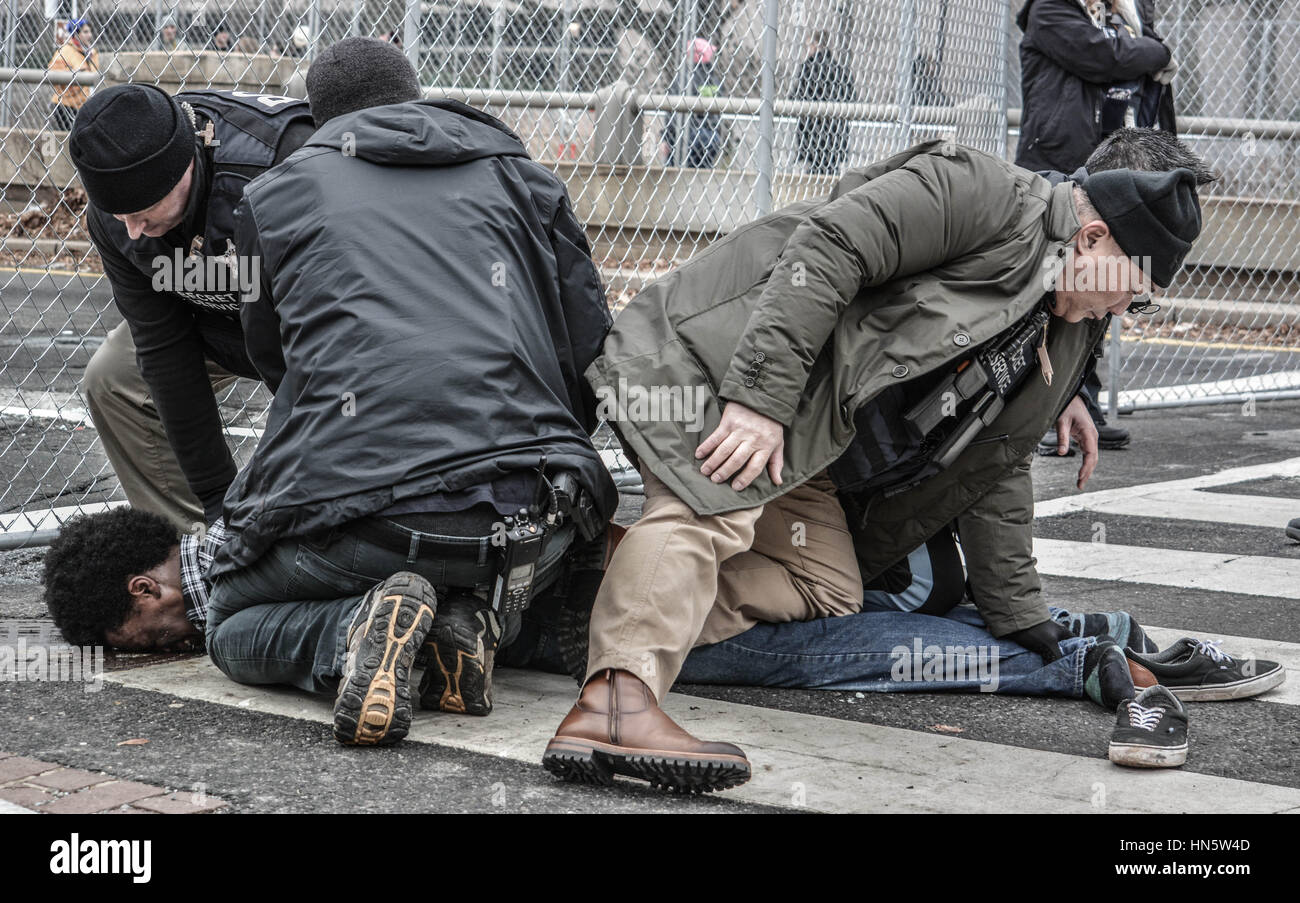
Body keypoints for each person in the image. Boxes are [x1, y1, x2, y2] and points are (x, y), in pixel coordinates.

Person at [542, 139, 1203, 793]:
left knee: (830, 589)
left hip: (809, 431)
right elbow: (831, 246)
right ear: (1091, 237)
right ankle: (615, 700)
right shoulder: (982, 193)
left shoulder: (1070, 322)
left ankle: (587, 591)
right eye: (1131, 292)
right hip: (718, 361)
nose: (1123, 313)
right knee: (717, 503)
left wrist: (1018, 610)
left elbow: (997, 462)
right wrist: (758, 398)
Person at [203, 38, 617, 748]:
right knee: (486, 564)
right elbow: (591, 346)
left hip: (370, 521)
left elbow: (275, 361)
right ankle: (471, 623)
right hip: (530, 515)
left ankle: (352, 631)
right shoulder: (524, 177)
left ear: (318, 116)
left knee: (229, 621)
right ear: (414, 94)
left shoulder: (273, 197)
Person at [69, 86, 315, 530]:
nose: (135, 231)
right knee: (115, 378)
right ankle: (200, 558)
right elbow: (162, 347)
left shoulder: (280, 172)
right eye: (118, 214)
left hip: (311, 324)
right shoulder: (118, 216)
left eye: (143, 211)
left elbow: (337, 339)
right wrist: (216, 498)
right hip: (217, 321)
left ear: (183, 166)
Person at [1017, 0, 1179, 450]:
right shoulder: (1049, 9)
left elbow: (1142, 50)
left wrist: (1140, 46)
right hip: (1058, 169)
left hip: (1113, 172)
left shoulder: (1128, 11)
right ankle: (1046, 409)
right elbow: (1103, 57)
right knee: (1053, 293)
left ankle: (1081, 401)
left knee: (1104, 296)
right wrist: (1145, 51)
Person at [1038, 127, 1218, 457]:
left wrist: (1066, 395)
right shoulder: (1015, 227)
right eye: (1168, 200)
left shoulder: (1096, 273)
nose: (1121, 309)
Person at [792, 30, 856, 176]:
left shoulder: (808, 68)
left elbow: (798, 95)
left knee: (814, 175)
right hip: (836, 135)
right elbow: (852, 96)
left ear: (816, 45)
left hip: (813, 133)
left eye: (809, 46)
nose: (807, 51)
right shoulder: (840, 68)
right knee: (832, 174)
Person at [662, 38, 722, 169]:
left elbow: (671, 112)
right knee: (702, 169)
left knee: (673, 166)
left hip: (684, 134)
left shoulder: (683, 78)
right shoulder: (713, 79)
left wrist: (666, 137)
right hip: (710, 135)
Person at [47, 18, 97, 131]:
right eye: (85, 32)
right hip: (67, 104)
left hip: (86, 103)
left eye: (90, 31)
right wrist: (74, 74)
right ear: (75, 34)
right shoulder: (65, 51)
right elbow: (53, 74)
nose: (89, 35)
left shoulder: (92, 53)